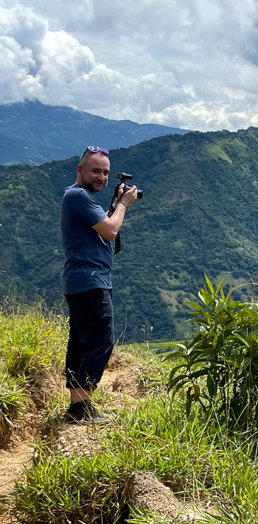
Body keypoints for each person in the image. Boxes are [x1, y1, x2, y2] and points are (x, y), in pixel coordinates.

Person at [61, 146, 138, 424]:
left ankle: (76, 404)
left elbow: (101, 227)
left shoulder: (78, 198)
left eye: (105, 172)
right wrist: (124, 205)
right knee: (101, 341)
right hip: (91, 281)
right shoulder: (79, 195)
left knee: (81, 342)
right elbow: (110, 230)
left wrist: (114, 204)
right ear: (80, 170)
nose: (101, 177)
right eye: (95, 170)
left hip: (78, 281)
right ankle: (81, 406)